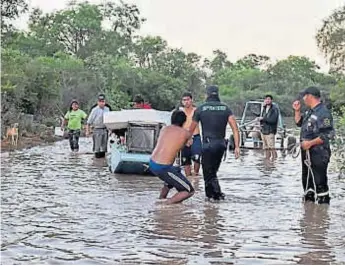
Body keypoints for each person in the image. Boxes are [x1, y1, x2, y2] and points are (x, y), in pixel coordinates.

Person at [189, 85, 240, 201]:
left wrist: (187, 140)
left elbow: (190, 129)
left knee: (208, 173)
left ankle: (216, 196)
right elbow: (235, 129)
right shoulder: (226, 108)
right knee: (213, 172)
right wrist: (237, 146)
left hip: (207, 145)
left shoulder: (201, 109)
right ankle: (211, 200)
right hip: (221, 145)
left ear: (207, 94)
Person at [292, 86, 335, 204]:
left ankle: (323, 213)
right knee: (307, 182)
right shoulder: (309, 111)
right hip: (307, 153)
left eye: (304, 96)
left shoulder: (323, 113)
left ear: (310, 96)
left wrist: (310, 143)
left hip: (319, 153)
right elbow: (299, 123)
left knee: (320, 183)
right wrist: (296, 111)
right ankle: (309, 214)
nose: (303, 99)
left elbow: (328, 134)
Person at [149, 110, 195, 204]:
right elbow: (188, 145)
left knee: (176, 171)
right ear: (184, 121)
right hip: (163, 167)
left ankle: (161, 198)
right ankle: (165, 205)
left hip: (152, 163)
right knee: (189, 191)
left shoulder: (164, 129)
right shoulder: (186, 133)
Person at [179, 92, 202, 176]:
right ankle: (188, 177)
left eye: (188, 100)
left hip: (195, 136)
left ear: (191, 100)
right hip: (184, 138)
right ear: (182, 101)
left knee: (197, 157)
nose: (186, 102)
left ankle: (196, 175)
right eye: (184, 100)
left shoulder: (197, 111)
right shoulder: (180, 112)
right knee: (185, 160)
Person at [86, 94, 111, 158]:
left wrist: (110, 130)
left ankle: (102, 161)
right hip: (97, 129)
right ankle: (96, 161)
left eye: (103, 101)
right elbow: (88, 122)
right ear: (98, 102)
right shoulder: (94, 110)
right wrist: (87, 131)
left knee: (104, 148)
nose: (102, 103)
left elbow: (110, 120)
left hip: (105, 129)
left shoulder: (107, 109)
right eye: (100, 101)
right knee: (97, 148)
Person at [258, 95, 279, 159]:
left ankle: (274, 161)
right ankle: (267, 161)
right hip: (263, 130)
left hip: (270, 131)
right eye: (266, 99)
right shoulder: (264, 108)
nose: (267, 100)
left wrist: (263, 119)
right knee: (266, 148)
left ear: (271, 100)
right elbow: (262, 118)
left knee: (272, 147)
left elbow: (273, 120)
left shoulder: (274, 109)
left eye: (269, 99)